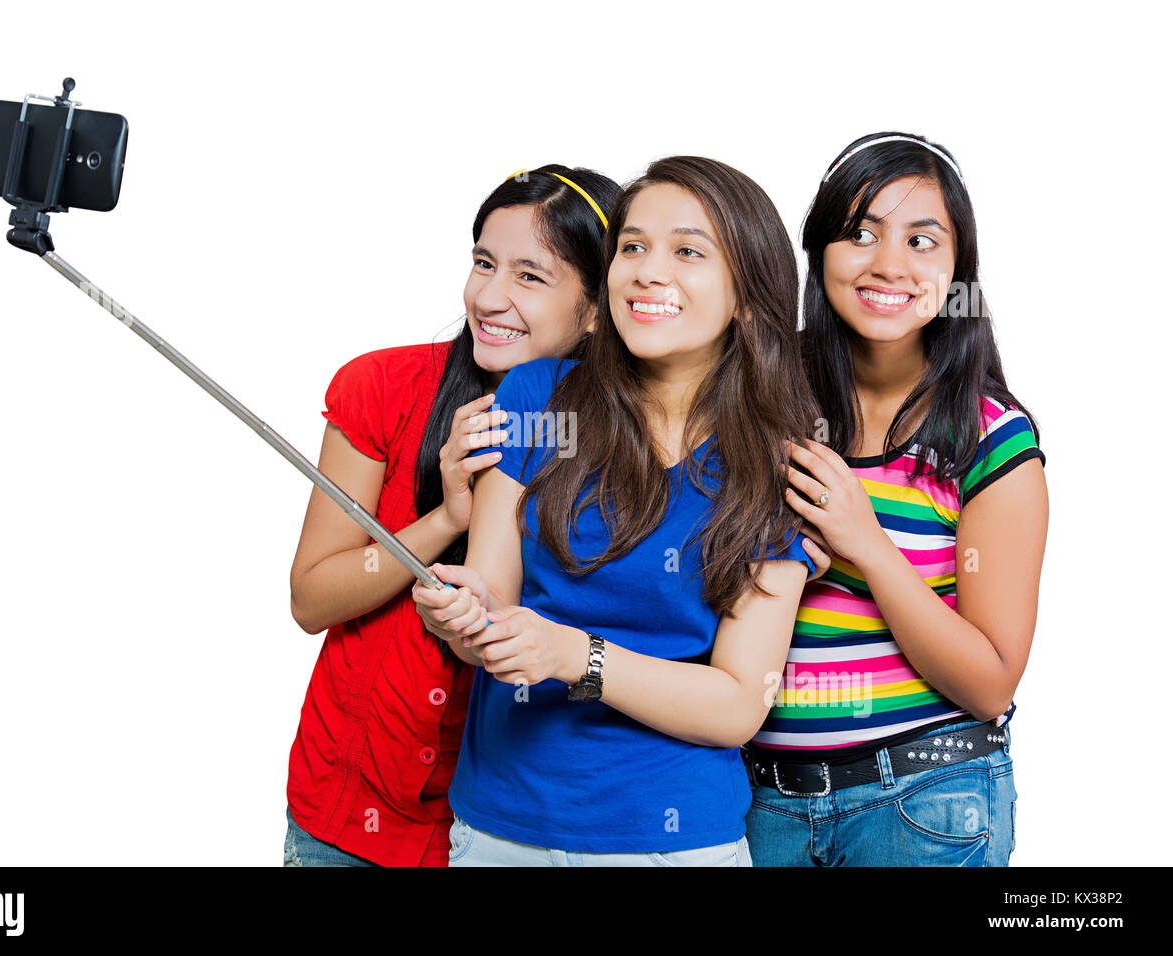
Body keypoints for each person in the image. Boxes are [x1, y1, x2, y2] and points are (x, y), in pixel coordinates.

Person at [412, 156, 830, 866]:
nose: (646, 270)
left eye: (688, 251)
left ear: (749, 297)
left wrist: (578, 655)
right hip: (499, 828)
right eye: (632, 246)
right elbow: (488, 609)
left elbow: (736, 704)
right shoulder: (537, 396)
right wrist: (461, 614)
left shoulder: (775, 466)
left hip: (674, 839)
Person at [284, 165, 619, 866]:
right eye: (483, 264)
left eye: (531, 276)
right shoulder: (381, 386)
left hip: (505, 827)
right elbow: (313, 597)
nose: (490, 297)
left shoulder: (633, 442)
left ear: (595, 308)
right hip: (347, 814)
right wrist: (445, 519)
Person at [743, 132, 1048, 867]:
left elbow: (989, 682)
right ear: (820, 252)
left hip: (922, 802)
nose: (889, 264)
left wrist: (867, 545)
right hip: (760, 803)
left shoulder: (989, 437)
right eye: (860, 234)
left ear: (957, 268)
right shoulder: (766, 401)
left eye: (922, 240)